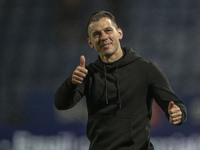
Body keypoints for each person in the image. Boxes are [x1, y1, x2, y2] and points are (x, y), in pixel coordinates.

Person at [54, 11, 187, 150]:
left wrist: (178, 114)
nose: (104, 37)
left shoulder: (146, 69)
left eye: (108, 30)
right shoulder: (88, 75)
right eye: (97, 34)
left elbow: (176, 104)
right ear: (90, 43)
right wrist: (72, 83)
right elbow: (61, 104)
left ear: (120, 33)